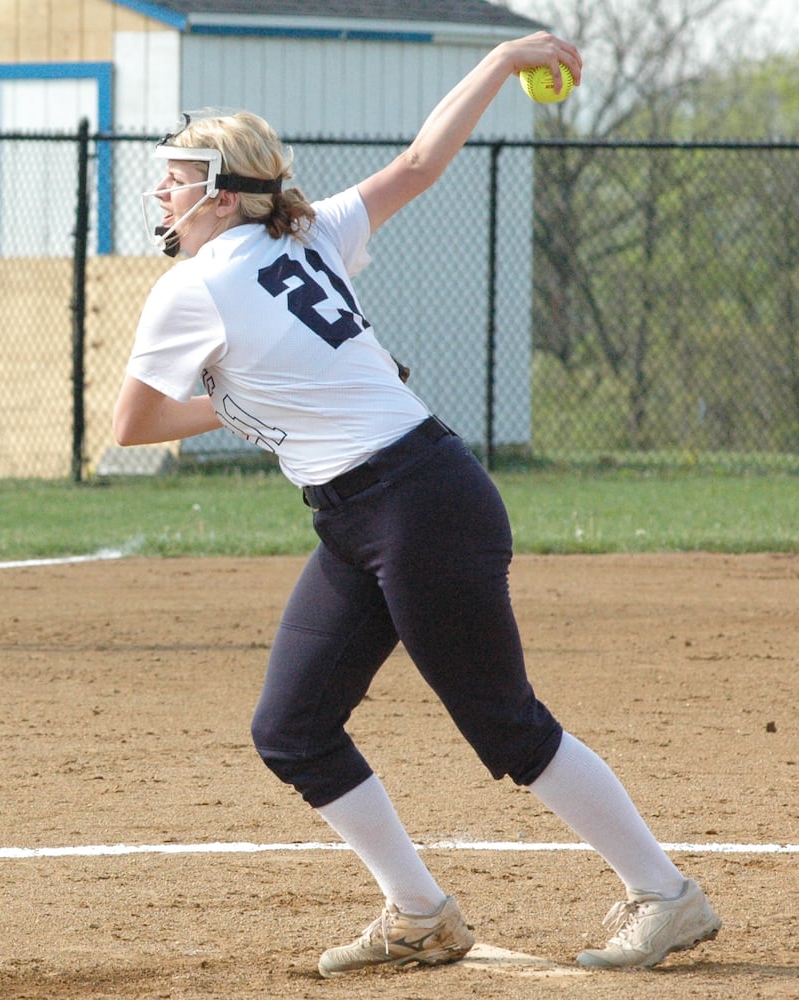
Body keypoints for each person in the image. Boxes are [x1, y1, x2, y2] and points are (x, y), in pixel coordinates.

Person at [113, 33, 721, 976]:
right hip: (369, 511)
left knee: (506, 725)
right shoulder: (305, 234)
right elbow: (420, 162)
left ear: (223, 195)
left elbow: (135, 423)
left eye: (178, 175)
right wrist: (503, 59)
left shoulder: (193, 285)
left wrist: (233, 406)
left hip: (416, 503)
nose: (162, 189)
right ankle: (420, 915)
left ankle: (667, 896)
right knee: (292, 729)